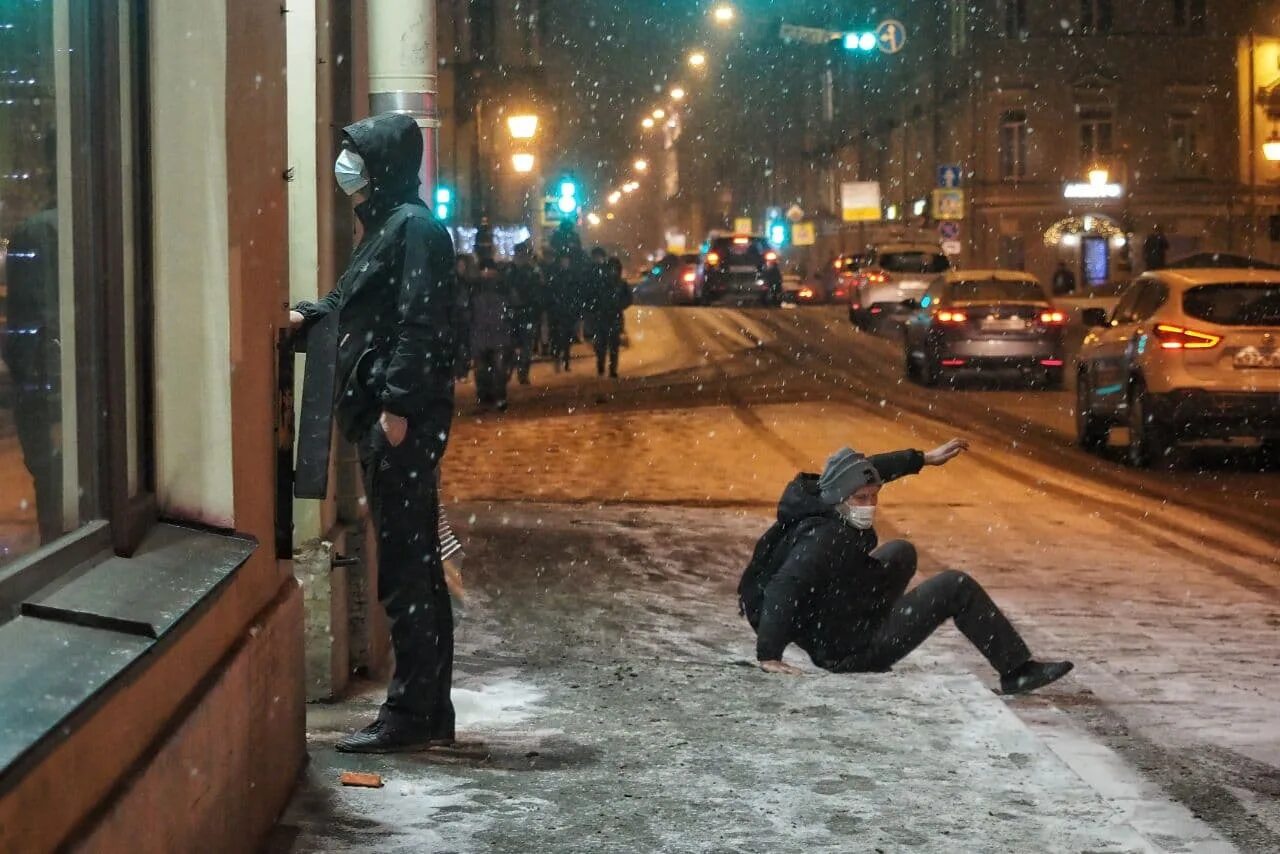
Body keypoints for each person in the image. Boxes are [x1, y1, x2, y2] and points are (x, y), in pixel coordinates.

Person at [290, 112, 462, 753]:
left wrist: (396, 408)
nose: (344, 164)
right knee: (410, 562)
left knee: (409, 568)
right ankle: (423, 710)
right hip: (389, 420)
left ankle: (416, 714)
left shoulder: (414, 229)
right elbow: (352, 304)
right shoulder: (390, 226)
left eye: (354, 153)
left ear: (384, 162)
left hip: (401, 427)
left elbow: (421, 324)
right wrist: (305, 317)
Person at [738, 440, 1073, 694]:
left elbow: (869, 469)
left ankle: (869, 620)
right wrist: (769, 655)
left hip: (838, 624)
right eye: (861, 498)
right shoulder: (827, 538)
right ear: (841, 497)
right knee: (955, 585)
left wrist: (922, 459)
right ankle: (1017, 670)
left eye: (874, 495)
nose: (870, 505)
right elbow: (786, 585)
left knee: (901, 552)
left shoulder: (819, 500)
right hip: (850, 652)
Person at [2, 133, 62, 545]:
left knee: (47, 475)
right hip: (81, 384)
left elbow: (25, 323)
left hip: (44, 382)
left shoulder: (35, 232)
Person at [469, 259, 513, 411]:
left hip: (497, 334)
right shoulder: (474, 288)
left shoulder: (502, 288)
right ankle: (486, 396)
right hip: (483, 334)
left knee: (498, 370)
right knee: (483, 370)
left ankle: (498, 397)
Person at [587, 256, 632, 378]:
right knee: (601, 345)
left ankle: (612, 369)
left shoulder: (621, 284)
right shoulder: (601, 283)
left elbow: (628, 298)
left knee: (613, 345)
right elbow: (593, 298)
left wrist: (619, 305)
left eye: (615, 268)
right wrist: (596, 309)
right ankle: (601, 366)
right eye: (611, 268)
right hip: (602, 317)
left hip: (614, 317)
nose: (613, 271)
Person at [505, 241, 543, 385]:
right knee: (514, 345)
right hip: (518, 313)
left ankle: (521, 373)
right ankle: (515, 371)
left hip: (525, 313)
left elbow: (537, 292)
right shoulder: (515, 271)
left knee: (524, 345)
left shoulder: (529, 271)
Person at [547, 251, 579, 372]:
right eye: (563, 261)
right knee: (558, 338)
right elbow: (551, 292)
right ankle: (558, 360)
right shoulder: (556, 276)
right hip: (558, 312)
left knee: (566, 339)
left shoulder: (571, 275)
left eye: (566, 261)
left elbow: (575, 293)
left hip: (567, 312)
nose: (565, 263)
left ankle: (565, 362)